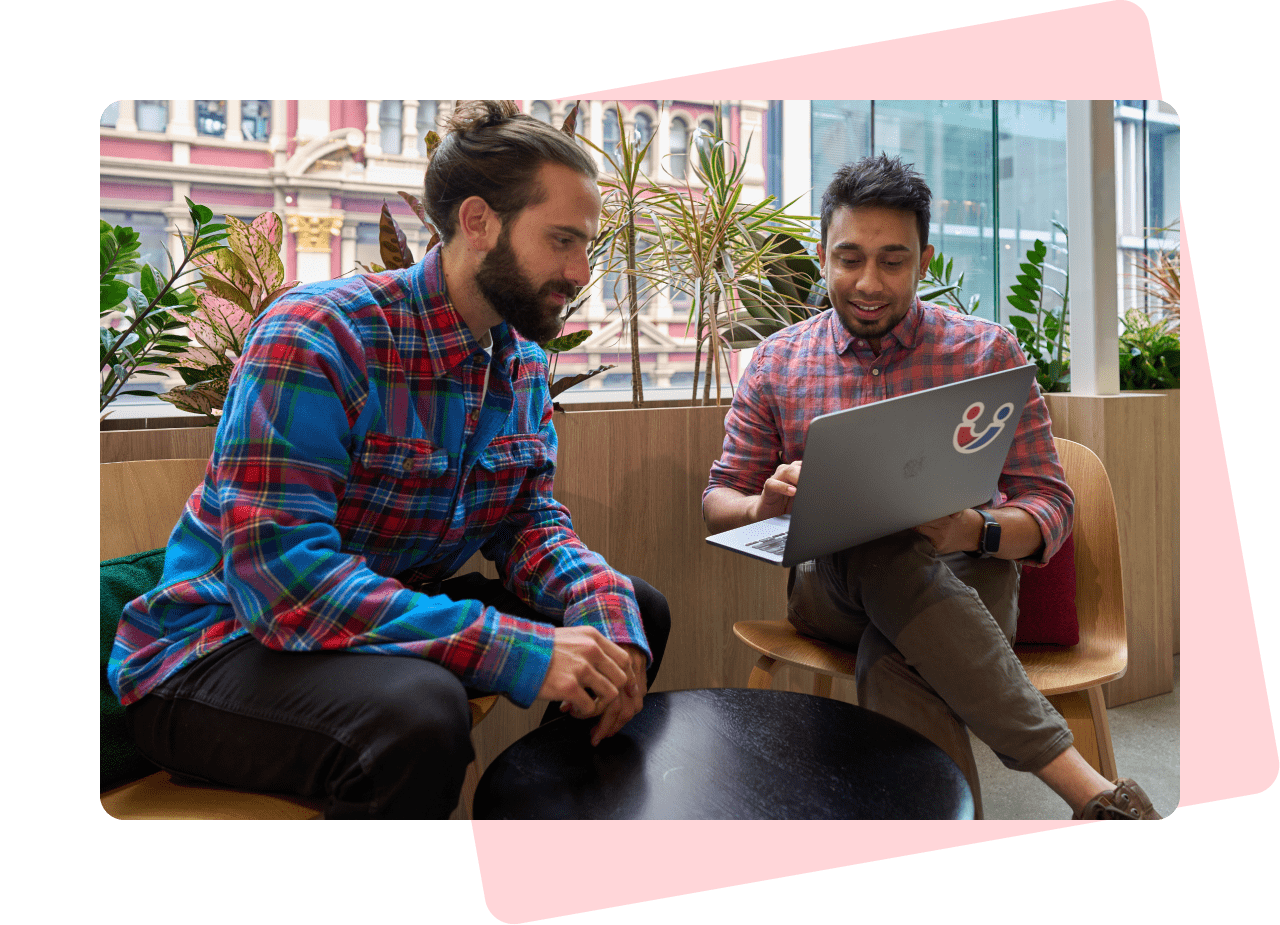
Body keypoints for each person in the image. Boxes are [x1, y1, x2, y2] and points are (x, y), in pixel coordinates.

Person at [108, 100, 670, 820]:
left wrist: (604, 611)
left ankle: (541, 842)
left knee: (632, 613)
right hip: (218, 648)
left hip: (371, 616)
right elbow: (284, 583)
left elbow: (528, 522)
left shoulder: (519, 361)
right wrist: (516, 649)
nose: (580, 270)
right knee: (419, 711)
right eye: (562, 240)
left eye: (586, 245)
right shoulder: (316, 336)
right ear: (477, 222)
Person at [703, 153, 1160, 821]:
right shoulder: (777, 362)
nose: (867, 281)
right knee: (873, 537)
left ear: (924, 260)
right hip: (831, 587)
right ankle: (1086, 788)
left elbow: (1052, 506)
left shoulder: (988, 354)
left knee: (896, 657)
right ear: (825, 256)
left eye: (892, 260)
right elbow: (718, 503)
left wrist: (972, 528)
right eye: (849, 257)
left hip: (969, 577)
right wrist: (762, 503)